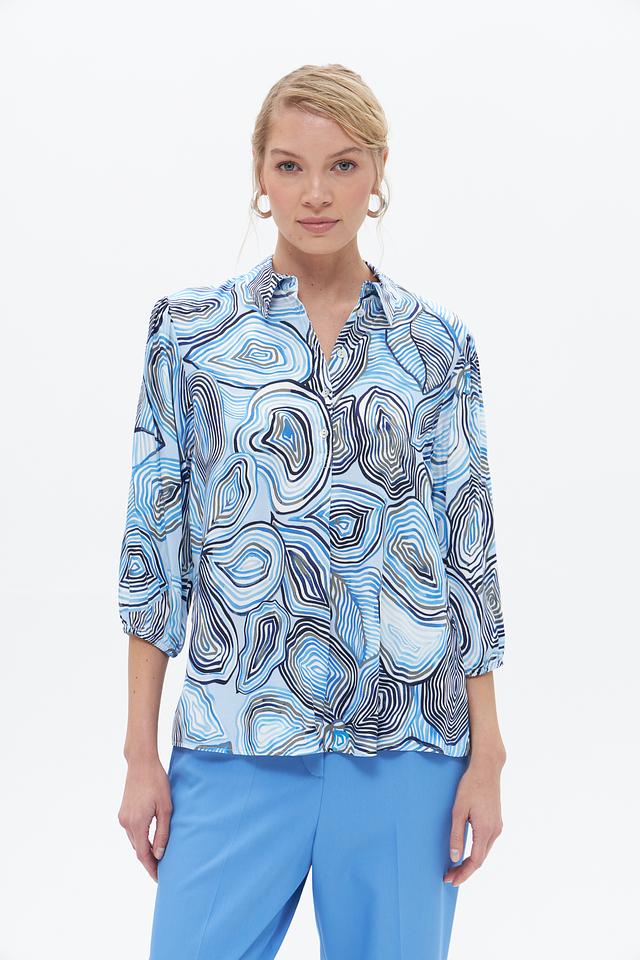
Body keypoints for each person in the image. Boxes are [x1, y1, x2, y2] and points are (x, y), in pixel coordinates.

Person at [116, 63, 508, 960]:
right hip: (235, 741)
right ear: (260, 174)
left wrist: (488, 753)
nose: (316, 194)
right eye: (290, 166)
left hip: (407, 749)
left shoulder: (437, 346)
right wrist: (140, 753)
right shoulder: (191, 335)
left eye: (342, 165)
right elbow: (153, 555)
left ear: (378, 174)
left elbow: (469, 556)